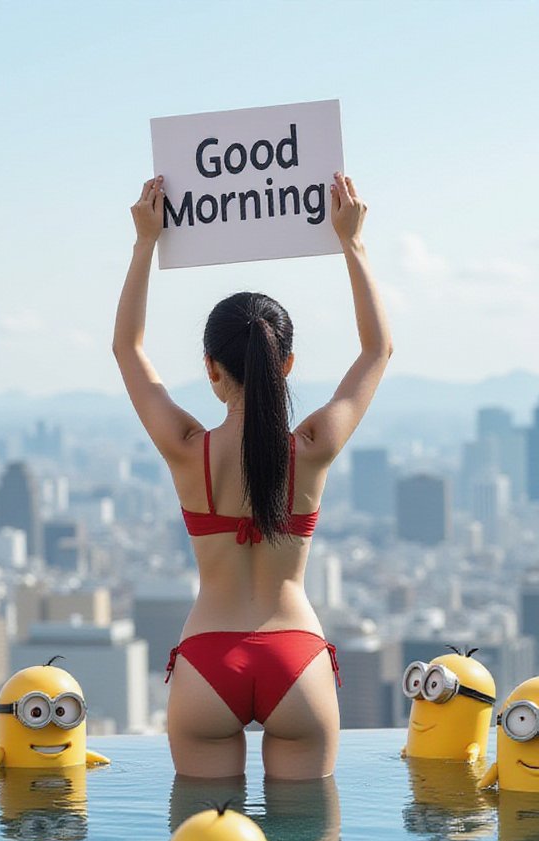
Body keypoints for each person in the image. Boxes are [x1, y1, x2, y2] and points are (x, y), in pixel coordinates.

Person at [113, 171, 392, 779]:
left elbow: (127, 350)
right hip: (298, 659)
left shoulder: (188, 449)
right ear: (286, 365)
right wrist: (353, 242)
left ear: (211, 369)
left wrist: (145, 242)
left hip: (207, 663)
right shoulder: (313, 446)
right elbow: (376, 352)